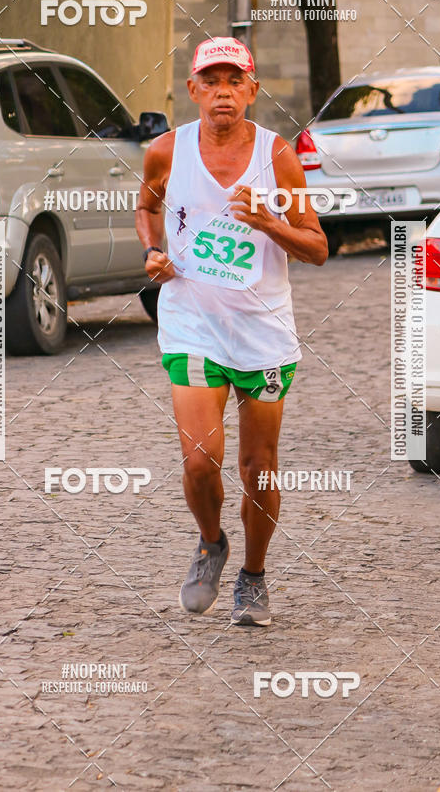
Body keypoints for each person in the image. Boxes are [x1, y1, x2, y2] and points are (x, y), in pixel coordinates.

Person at [135, 37, 328, 626]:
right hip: (192, 323)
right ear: (192, 91)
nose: (223, 91)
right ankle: (210, 543)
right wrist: (153, 251)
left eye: (234, 81)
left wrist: (269, 222)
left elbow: (318, 247)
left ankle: (254, 575)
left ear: (252, 90)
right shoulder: (166, 152)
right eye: (210, 81)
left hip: (262, 336)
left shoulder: (279, 157)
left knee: (258, 467)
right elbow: (146, 206)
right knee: (199, 461)